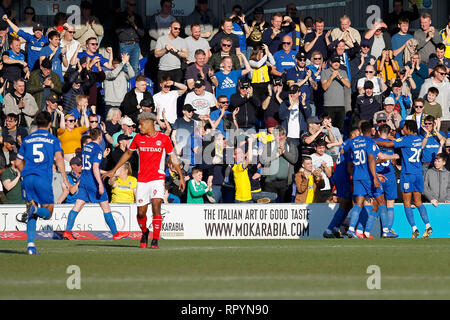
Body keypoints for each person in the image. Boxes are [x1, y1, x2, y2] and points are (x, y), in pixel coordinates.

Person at [103, 111, 186, 249]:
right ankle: (144, 232)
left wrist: (181, 177)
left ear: (149, 123)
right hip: (142, 180)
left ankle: (155, 240)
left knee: (156, 206)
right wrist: (113, 170)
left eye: (141, 124)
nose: (138, 128)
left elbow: (173, 158)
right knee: (141, 213)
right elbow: (128, 154)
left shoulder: (164, 139)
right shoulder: (138, 139)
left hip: (158, 179)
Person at [16, 111, 69, 255]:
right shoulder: (53, 139)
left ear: (36, 123)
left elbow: (18, 162)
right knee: (48, 212)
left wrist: (24, 173)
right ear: (50, 124)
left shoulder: (27, 140)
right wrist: (64, 178)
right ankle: (35, 211)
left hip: (27, 178)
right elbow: (59, 159)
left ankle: (31, 246)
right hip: (42, 179)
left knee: (31, 213)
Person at [62, 128, 130, 241]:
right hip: (93, 181)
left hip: (84, 180)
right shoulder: (98, 149)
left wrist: (106, 172)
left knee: (77, 205)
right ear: (100, 137)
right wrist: (100, 184)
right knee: (106, 207)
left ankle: (67, 232)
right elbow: (94, 167)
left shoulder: (86, 147)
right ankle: (115, 233)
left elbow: (89, 167)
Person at [375, 120, 433, 239]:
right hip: (418, 174)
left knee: (407, 203)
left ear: (408, 128)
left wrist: (372, 140)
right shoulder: (418, 139)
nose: (402, 130)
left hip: (408, 174)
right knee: (418, 202)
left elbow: (388, 145)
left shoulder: (406, 139)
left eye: (404, 127)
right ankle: (428, 226)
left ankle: (414, 229)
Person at [344, 121, 398, 239]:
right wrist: (392, 157)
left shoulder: (353, 142)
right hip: (368, 176)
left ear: (361, 130)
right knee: (381, 202)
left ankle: (351, 229)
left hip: (357, 176)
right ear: (372, 131)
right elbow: (374, 159)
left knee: (358, 203)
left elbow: (343, 150)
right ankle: (385, 230)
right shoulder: (370, 142)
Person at [260, 125, 298, 202]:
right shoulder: (268, 145)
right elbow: (263, 160)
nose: (280, 137)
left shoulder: (291, 145)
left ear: (285, 135)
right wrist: (277, 155)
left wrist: (284, 151)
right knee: (268, 206)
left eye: (282, 135)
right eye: (278, 135)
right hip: (269, 182)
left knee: (286, 206)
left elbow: (294, 160)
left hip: (285, 182)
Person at [375, 124, 399, 238]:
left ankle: (371, 229)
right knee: (390, 204)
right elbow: (394, 162)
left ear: (378, 132)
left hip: (377, 175)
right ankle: (388, 229)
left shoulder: (374, 142)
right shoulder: (391, 144)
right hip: (389, 175)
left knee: (378, 204)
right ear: (389, 133)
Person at [115, 0, 145, 75]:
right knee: (125, 67)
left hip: (135, 45)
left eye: (134, 5)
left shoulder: (137, 17)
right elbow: (116, 30)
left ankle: (134, 86)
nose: (132, 6)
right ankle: (125, 86)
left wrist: (133, 23)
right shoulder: (120, 16)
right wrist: (126, 25)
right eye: (131, 4)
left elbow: (142, 33)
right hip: (125, 45)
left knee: (135, 68)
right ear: (126, 4)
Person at [321, 55, 351, 130]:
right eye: (334, 62)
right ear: (331, 62)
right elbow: (324, 87)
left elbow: (348, 85)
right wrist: (331, 77)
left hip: (340, 105)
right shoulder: (325, 72)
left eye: (338, 62)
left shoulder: (343, 72)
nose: (336, 63)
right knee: (328, 129)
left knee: (339, 129)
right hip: (329, 106)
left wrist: (340, 77)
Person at [154, 20, 188, 86]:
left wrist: (177, 51)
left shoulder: (182, 40)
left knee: (176, 93)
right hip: (163, 70)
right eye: (175, 28)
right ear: (170, 28)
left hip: (176, 70)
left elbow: (186, 55)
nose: (177, 30)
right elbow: (156, 54)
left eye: (179, 29)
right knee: (162, 93)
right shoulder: (161, 39)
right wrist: (165, 49)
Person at [419, 64, 450, 135]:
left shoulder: (448, 86)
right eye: (442, 74)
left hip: (445, 118)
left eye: (445, 74)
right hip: (430, 120)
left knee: (442, 141)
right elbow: (420, 102)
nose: (444, 76)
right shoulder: (426, 85)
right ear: (435, 72)